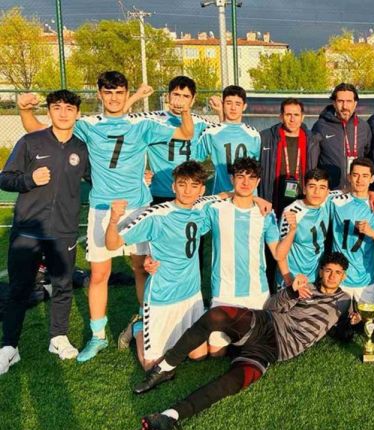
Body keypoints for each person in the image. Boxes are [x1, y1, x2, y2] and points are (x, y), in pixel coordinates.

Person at [17, 71, 194, 362]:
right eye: (108, 92)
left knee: (141, 268)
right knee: (99, 274)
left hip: (138, 208)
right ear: (100, 94)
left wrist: (185, 111)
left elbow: (186, 133)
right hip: (102, 208)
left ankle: (144, 322)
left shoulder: (142, 125)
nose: (114, 98)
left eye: (119, 92)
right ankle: (98, 336)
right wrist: (25, 110)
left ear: (126, 94)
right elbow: (38, 129)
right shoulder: (87, 125)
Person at [134, 252, 360, 430]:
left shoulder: (344, 302)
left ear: (344, 276)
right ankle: (165, 367)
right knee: (217, 315)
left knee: (231, 383)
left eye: (338, 273)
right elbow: (272, 306)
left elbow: (343, 334)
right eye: (328, 270)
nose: (332, 276)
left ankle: (169, 416)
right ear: (321, 271)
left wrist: (353, 324)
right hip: (266, 324)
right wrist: (291, 292)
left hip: (276, 350)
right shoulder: (305, 287)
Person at [0, 90, 89, 373]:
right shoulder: (30, 141)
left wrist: (138, 178)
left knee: (62, 286)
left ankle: (58, 337)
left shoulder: (82, 149)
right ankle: (9, 347)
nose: (63, 113)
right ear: (49, 111)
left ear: (77, 113)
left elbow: (101, 178)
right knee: (19, 289)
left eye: (69, 108)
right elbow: (5, 178)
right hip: (28, 230)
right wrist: (29, 179)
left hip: (64, 231)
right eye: (57, 107)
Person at [104, 161, 219, 370]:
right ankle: (138, 327)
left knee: (199, 355)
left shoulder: (201, 209)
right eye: (182, 184)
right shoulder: (156, 216)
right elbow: (112, 244)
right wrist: (113, 220)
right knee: (152, 366)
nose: (187, 191)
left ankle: (171, 336)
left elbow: (227, 195)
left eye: (194, 186)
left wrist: (256, 198)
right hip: (162, 296)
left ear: (202, 190)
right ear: (173, 187)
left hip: (191, 295)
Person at [201, 157, 287, 357]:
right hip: (224, 290)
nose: (246, 182)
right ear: (232, 179)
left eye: (251, 178)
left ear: (258, 182)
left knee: (254, 348)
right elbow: (194, 208)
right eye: (240, 177)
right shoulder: (216, 209)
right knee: (215, 353)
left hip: (256, 290)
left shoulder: (265, 213)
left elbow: (277, 252)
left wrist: (291, 231)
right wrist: (228, 194)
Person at [124, 76, 215, 205]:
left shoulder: (201, 123)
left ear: (193, 99)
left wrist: (220, 112)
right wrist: (137, 96)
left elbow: (224, 136)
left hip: (190, 194)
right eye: (176, 95)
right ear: (168, 96)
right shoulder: (154, 120)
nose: (180, 100)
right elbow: (120, 120)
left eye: (186, 96)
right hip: (160, 193)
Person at [329, 158, 374, 303]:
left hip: (366, 280)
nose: (360, 180)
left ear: (372, 179)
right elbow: (318, 196)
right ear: (349, 177)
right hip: (338, 278)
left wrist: (371, 232)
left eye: (365, 176)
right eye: (355, 175)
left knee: (368, 318)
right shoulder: (335, 201)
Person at [194, 85, 261, 195]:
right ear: (223, 104)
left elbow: (257, 167)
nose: (233, 108)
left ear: (244, 106)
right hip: (221, 194)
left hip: (247, 196)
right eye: (229, 103)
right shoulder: (211, 132)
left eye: (238, 104)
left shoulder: (254, 134)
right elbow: (195, 159)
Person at [259, 98, 320, 216]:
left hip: (302, 201)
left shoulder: (313, 140)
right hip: (272, 200)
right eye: (288, 115)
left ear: (302, 117)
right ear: (281, 117)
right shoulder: (266, 138)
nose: (292, 119)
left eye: (296, 115)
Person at [276, 168, 332, 286]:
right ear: (305, 189)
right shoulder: (292, 211)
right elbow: (280, 254)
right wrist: (288, 280)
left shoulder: (327, 201)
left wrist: (371, 193)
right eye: (312, 186)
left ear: (328, 192)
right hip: (293, 279)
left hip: (315, 278)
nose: (317, 192)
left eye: (322, 187)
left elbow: (351, 191)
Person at [311, 83, 372, 190]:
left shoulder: (364, 127)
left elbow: (368, 156)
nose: (345, 106)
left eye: (349, 101)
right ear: (334, 103)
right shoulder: (321, 126)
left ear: (355, 103)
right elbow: (313, 162)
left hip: (356, 190)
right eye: (340, 101)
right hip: (330, 191)